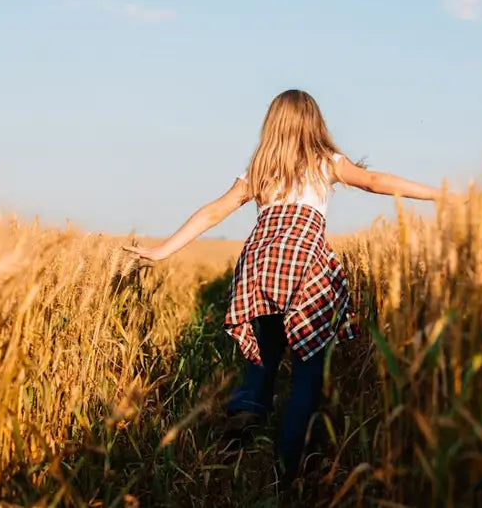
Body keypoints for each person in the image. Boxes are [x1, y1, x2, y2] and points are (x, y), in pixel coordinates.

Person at [122, 88, 454, 483]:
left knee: (263, 352)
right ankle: (289, 465)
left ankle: (247, 406)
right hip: (303, 268)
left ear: (272, 126)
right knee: (307, 370)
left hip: (260, 266)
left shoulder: (260, 171)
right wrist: (440, 195)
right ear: (315, 123)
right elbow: (374, 181)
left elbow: (212, 212)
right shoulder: (325, 162)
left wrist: (162, 251)